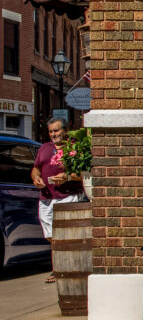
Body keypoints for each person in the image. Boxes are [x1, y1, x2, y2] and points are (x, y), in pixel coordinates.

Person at [31, 117, 86, 283]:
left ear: (65, 130)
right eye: (51, 131)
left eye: (56, 130)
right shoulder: (44, 148)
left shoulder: (75, 146)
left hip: (69, 196)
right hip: (47, 197)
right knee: (51, 234)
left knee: (64, 232)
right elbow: (35, 168)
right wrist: (36, 179)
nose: (53, 134)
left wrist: (67, 177)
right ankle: (63, 265)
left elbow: (85, 173)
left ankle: (58, 269)